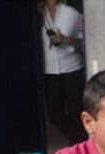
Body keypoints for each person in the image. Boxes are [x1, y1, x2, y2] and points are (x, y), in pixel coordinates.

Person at [40, 0, 88, 145]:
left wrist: (67, 40)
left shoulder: (71, 13)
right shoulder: (39, 14)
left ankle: (78, 145)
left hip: (72, 68)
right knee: (55, 116)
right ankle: (79, 141)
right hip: (49, 70)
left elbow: (85, 38)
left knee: (77, 112)